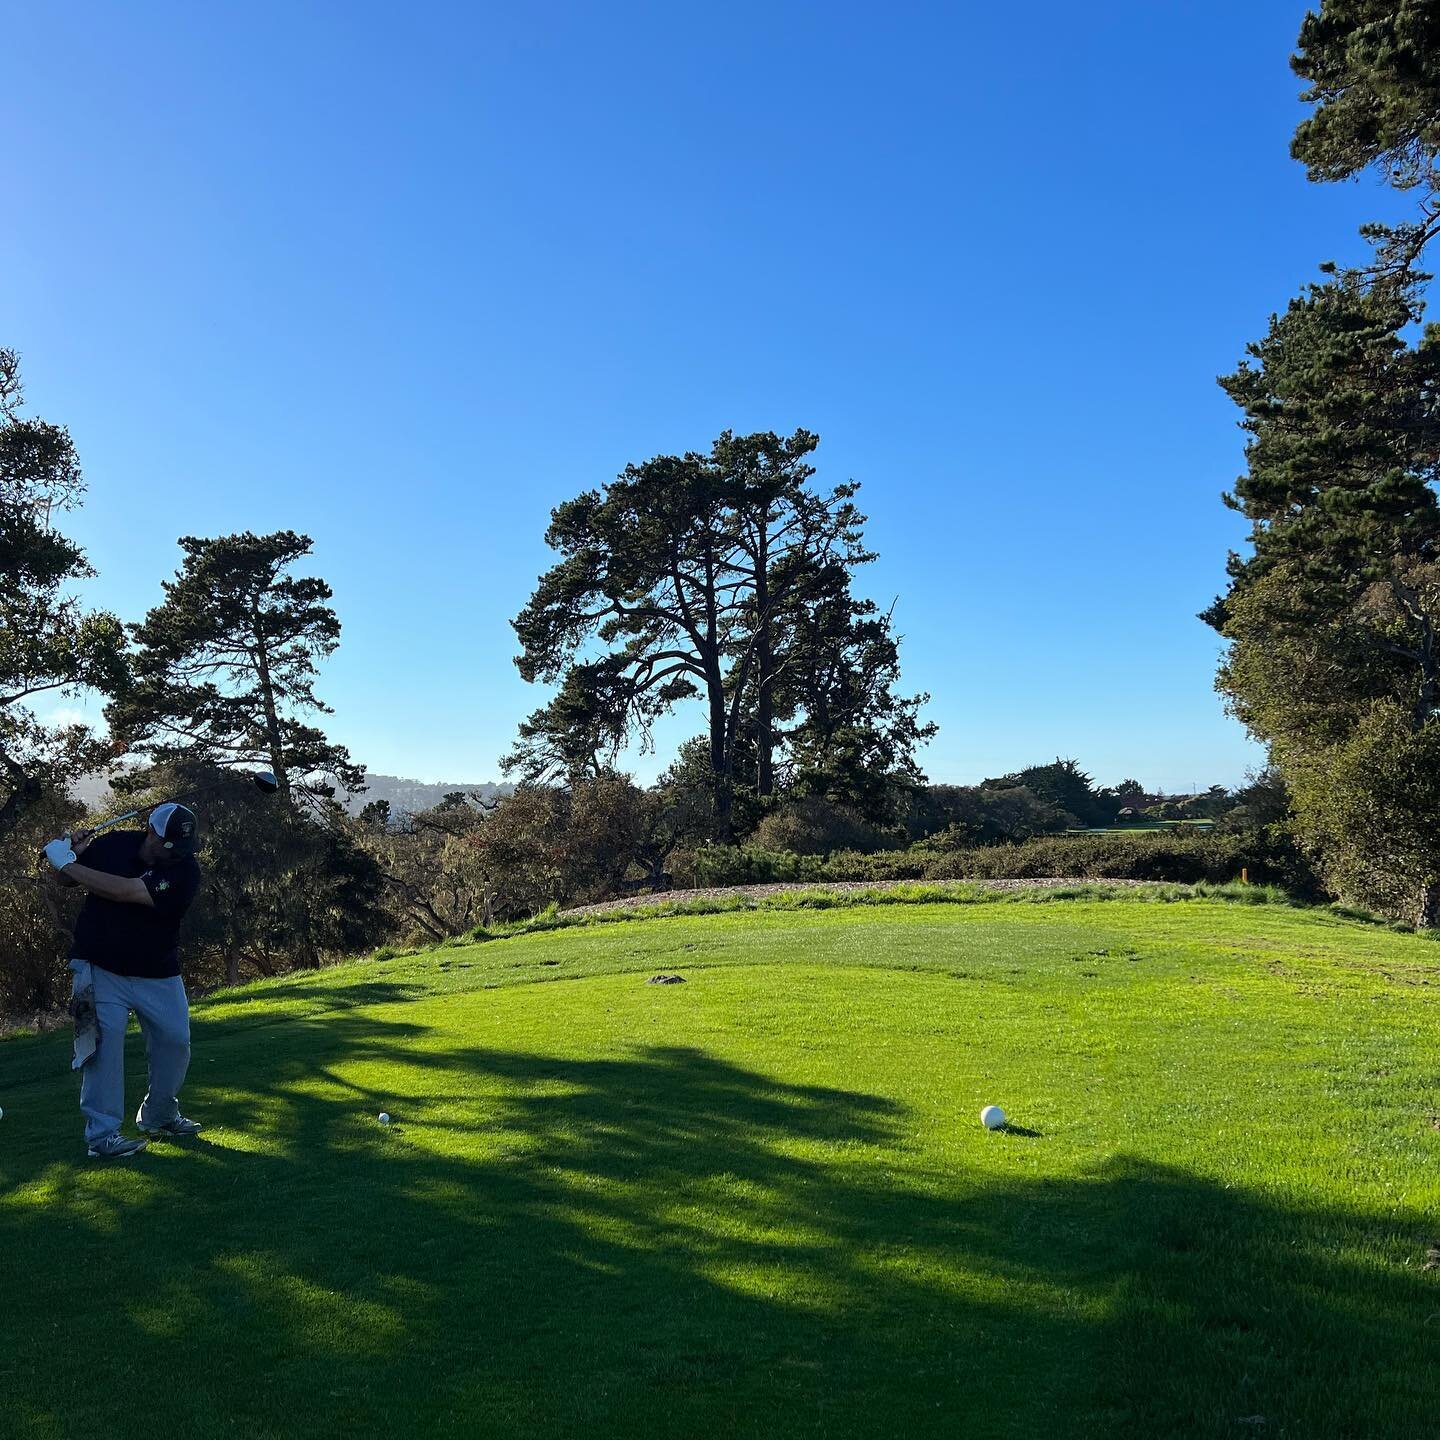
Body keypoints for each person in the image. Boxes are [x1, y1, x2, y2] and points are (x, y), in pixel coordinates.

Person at [44, 802, 205, 1159]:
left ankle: (159, 1115)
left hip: (157, 971)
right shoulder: (114, 844)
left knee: (176, 1042)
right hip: (97, 967)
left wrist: (66, 861)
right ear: (152, 832)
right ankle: (102, 1137)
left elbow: (126, 891)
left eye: (181, 849)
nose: (175, 854)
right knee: (101, 1046)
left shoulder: (185, 872)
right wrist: (72, 852)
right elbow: (65, 879)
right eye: (169, 845)